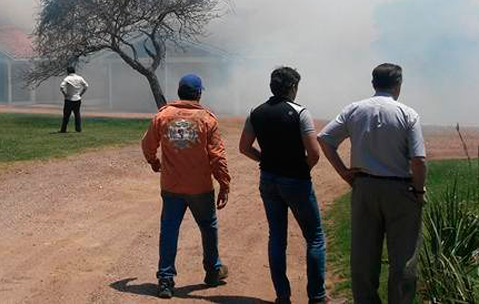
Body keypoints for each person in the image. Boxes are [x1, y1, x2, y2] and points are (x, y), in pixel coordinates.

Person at [317, 63, 426, 304]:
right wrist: (419, 191)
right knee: (403, 257)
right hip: (400, 189)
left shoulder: (355, 109)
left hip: (364, 187)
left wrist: (344, 172)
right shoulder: (408, 114)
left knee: (364, 255)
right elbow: (418, 160)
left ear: (373, 83)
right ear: (398, 85)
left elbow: (324, 139)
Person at [239, 67, 326, 304]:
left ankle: (283, 296)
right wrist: (301, 168)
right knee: (315, 237)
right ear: (293, 88)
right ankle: (317, 297)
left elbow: (244, 148)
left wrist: (264, 160)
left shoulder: (255, 113)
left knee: (277, 236)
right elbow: (314, 153)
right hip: (296, 180)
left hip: (268, 179)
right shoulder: (300, 113)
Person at [141, 74, 231, 299]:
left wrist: (154, 162)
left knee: (169, 230)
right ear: (199, 93)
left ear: (179, 91)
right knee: (208, 227)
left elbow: (147, 144)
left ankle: (165, 280)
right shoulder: (207, 119)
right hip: (200, 187)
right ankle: (212, 271)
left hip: (171, 186)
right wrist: (224, 183)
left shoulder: (163, 116)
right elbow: (217, 155)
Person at [58, 66, 89, 133]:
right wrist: (81, 94)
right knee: (77, 114)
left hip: (69, 99)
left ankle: (63, 129)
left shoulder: (67, 78)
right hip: (77, 99)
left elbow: (61, 87)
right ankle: (78, 129)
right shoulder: (79, 78)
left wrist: (65, 94)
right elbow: (86, 86)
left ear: (68, 71)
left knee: (66, 115)